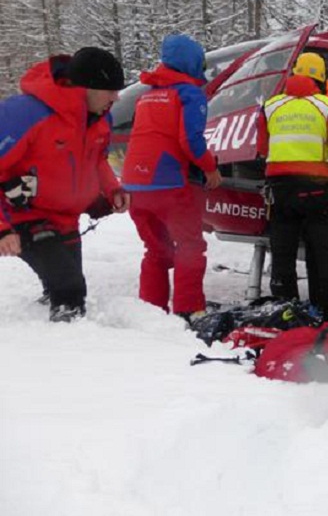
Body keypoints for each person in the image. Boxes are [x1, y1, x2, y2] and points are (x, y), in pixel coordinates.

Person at [0, 47, 129, 321]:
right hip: (23, 215)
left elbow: (97, 160)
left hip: (65, 219)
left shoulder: (101, 118)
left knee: (64, 283)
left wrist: (113, 189)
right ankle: (66, 350)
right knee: (70, 289)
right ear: (87, 88)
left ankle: (54, 319)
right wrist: (2, 230)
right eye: (111, 91)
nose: (117, 98)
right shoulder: (25, 114)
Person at [256, 52, 328, 321]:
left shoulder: (270, 106)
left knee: (283, 257)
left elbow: (262, 148)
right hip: (317, 191)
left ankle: (285, 313)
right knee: (323, 257)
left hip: (280, 193)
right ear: (320, 79)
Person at [121, 34, 222, 320]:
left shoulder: (147, 95)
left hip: (135, 184)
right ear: (193, 63)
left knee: (156, 249)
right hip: (170, 184)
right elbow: (190, 140)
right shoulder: (189, 94)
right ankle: (189, 310)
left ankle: (151, 311)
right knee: (190, 246)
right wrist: (209, 167)